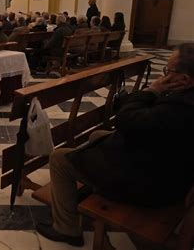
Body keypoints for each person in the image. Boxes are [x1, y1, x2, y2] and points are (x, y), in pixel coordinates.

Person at [35, 44, 194, 247]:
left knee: (59, 158)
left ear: (185, 79)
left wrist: (152, 91)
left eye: (168, 71)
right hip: (167, 170)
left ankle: (66, 228)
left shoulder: (179, 111)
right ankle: (86, 187)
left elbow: (125, 119)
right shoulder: (184, 100)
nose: (162, 77)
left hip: (149, 186)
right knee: (97, 135)